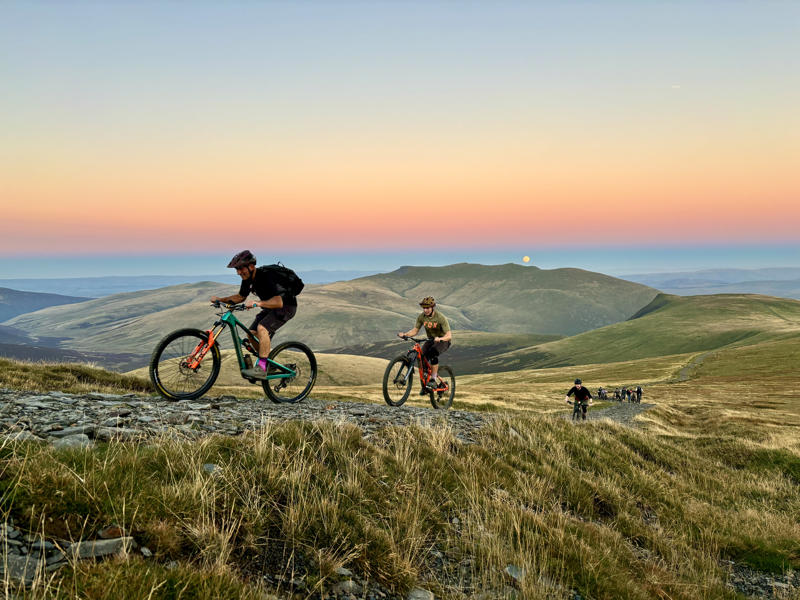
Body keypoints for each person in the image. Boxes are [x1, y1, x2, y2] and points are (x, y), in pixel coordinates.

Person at [210, 250, 298, 379]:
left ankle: (261, 368)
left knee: (262, 328)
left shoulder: (266, 276)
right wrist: (221, 300)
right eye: (237, 270)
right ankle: (267, 363)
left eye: (240, 269)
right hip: (270, 308)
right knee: (251, 333)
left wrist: (258, 303)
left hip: (286, 307)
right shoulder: (247, 279)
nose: (239, 272)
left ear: (251, 266)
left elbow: (279, 302)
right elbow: (240, 297)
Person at [398, 296, 452, 392]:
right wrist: (405, 334)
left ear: (432, 307)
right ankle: (426, 385)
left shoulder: (440, 318)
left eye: (427, 308)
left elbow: (449, 336)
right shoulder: (421, 317)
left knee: (433, 353)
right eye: (424, 308)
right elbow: (415, 330)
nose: (425, 310)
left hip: (443, 341)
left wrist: (440, 338)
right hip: (430, 340)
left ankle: (433, 379)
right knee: (422, 359)